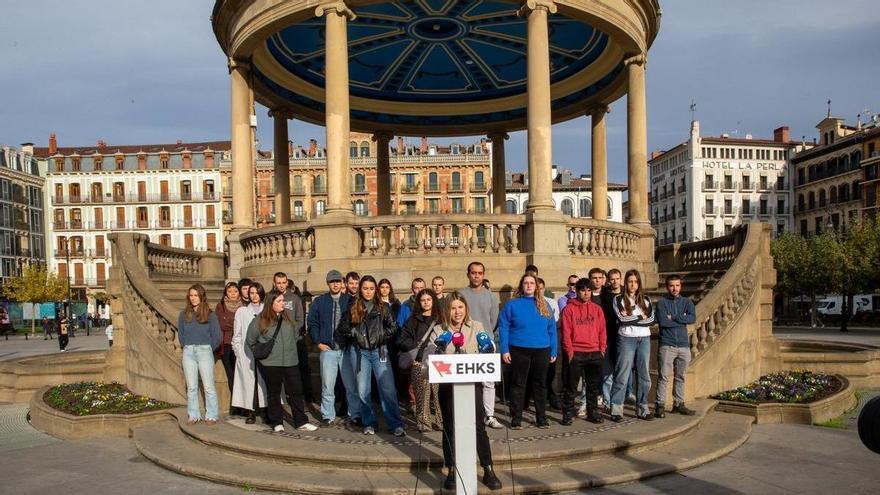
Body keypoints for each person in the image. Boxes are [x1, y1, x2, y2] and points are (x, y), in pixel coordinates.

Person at [434, 292, 502, 491]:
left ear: (466, 309)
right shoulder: (439, 330)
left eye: (460, 307)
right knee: (450, 427)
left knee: (478, 427)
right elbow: (431, 355)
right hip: (448, 387)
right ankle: (452, 470)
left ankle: (488, 469)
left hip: (472, 385)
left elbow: (487, 348)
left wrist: (488, 349)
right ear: (448, 310)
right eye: (453, 308)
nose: (457, 312)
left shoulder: (478, 327)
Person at [335, 275, 405, 437]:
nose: (368, 292)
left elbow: (393, 327)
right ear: (361, 289)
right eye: (365, 288)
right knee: (363, 389)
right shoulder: (354, 306)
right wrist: (354, 333)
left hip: (379, 351)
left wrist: (380, 336)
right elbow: (342, 327)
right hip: (359, 353)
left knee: (387, 389)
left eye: (371, 288)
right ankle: (369, 422)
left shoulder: (383, 307)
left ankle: (395, 424)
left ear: (376, 290)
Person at [246, 289, 317, 433]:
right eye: (279, 301)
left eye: (283, 300)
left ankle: (301, 421)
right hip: (270, 363)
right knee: (274, 393)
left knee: (296, 391)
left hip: (290, 361)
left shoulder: (287, 318)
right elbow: (250, 340)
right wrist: (265, 353)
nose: (283, 303)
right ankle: (277, 422)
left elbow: (295, 334)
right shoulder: (260, 320)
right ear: (270, 303)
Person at [499, 274, 557, 429]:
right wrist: (504, 349)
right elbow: (503, 327)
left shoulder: (544, 305)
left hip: (542, 350)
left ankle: (541, 417)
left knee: (540, 384)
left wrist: (554, 350)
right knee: (518, 383)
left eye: (532, 283)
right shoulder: (512, 304)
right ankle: (516, 418)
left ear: (536, 287)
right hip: (518, 349)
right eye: (526, 283)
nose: (529, 285)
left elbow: (552, 329)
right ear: (521, 286)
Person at [308, 270, 361, 427]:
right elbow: (312, 323)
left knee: (351, 385)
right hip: (328, 350)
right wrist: (318, 342)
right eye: (332, 282)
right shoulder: (319, 301)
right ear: (328, 283)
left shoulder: (350, 300)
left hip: (346, 350)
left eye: (338, 281)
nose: (335, 284)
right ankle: (328, 415)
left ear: (342, 283)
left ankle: (355, 414)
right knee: (327, 385)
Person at [458, 261, 503, 429]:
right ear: (468, 274)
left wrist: (485, 337)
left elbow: (493, 321)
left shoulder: (491, 296)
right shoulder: (460, 294)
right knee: (467, 380)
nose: (476, 275)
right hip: (465, 343)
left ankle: (489, 415)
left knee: (488, 381)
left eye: (479, 273)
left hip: (486, 343)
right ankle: (468, 414)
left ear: (483, 275)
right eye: (473, 272)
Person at [609, 269, 655, 422]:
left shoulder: (646, 299)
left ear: (639, 283)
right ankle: (616, 409)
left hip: (644, 340)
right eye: (630, 281)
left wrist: (632, 318)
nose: (633, 284)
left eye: (635, 281)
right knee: (622, 374)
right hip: (627, 339)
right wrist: (639, 316)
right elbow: (622, 320)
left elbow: (651, 320)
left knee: (644, 375)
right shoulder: (618, 299)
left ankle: (642, 408)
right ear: (625, 283)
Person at [560, 278, 606, 425]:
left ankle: (592, 412)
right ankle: (567, 413)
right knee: (571, 387)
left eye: (588, 290)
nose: (586, 293)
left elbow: (602, 331)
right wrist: (570, 352)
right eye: (583, 290)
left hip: (595, 353)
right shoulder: (569, 309)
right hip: (577, 353)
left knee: (592, 387)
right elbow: (566, 333)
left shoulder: (597, 309)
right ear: (577, 291)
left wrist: (602, 349)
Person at [397, 289, 442, 432]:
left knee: (438, 395)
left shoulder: (441, 318)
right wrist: (418, 350)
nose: (426, 302)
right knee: (421, 394)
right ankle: (424, 423)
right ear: (419, 302)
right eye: (423, 300)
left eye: (429, 299)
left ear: (433, 301)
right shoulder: (413, 319)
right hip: (419, 361)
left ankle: (441, 421)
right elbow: (402, 339)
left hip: (438, 362)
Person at [178, 284, 222, 425]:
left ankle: (212, 414)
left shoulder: (210, 314)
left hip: (204, 352)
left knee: (208, 385)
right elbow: (181, 335)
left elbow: (217, 336)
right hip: (189, 352)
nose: (193, 298)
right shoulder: (183, 314)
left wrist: (208, 348)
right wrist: (188, 346)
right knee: (191, 386)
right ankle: (193, 415)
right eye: (191, 295)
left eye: (196, 295)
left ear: (201, 296)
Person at [655, 274, 697, 418]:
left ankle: (678, 404)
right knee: (663, 377)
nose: (675, 288)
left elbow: (692, 318)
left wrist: (674, 317)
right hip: (667, 344)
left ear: (681, 286)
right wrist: (681, 319)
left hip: (684, 345)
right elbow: (663, 322)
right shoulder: (662, 303)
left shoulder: (687, 302)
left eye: (677, 285)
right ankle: (660, 405)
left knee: (681, 376)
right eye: (672, 285)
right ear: (667, 287)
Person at [232, 283, 268, 424]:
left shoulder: (267, 309)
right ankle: (250, 411)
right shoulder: (241, 311)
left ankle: (265, 410)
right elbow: (237, 334)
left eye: (257, 292)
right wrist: (238, 352)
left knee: (264, 380)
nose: (254, 295)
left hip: (265, 350)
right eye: (251, 292)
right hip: (246, 352)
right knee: (249, 382)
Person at [274, 272, 313, 404]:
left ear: (287, 283)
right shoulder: (270, 298)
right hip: (277, 342)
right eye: (278, 283)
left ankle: (304, 395)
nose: (281, 285)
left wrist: (292, 335)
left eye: (283, 282)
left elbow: (300, 320)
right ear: (275, 283)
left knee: (298, 370)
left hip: (294, 340)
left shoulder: (295, 298)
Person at [600, 268, 628, 410]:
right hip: (608, 336)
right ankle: (606, 401)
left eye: (617, 278)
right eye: (612, 279)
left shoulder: (627, 293)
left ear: (621, 279)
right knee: (607, 372)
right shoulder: (605, 295)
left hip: (624, 336)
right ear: (609, 280)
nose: (615, 281)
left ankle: (619, 400)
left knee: (621, 372)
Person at [215, 281, 243, 413]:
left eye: (235, 291)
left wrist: (232, 323)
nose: (232, 294)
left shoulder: (243, 306)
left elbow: (243, 325)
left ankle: (243, 405)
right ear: (226, 293)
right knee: (231, 376)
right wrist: (236, 323)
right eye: (230, 291)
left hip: (241, 345)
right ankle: (235, 405)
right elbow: (221, 324)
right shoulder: (220, 306)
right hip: (226, 344)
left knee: (241, 376)